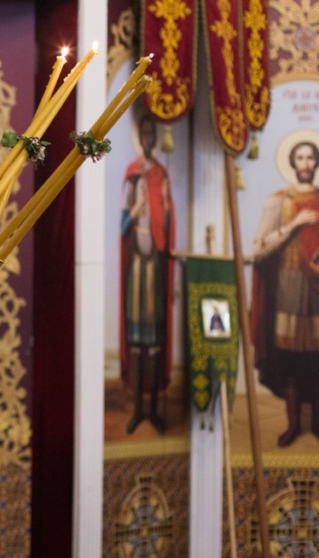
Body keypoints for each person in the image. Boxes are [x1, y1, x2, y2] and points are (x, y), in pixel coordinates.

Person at [251, 140, 319, 448]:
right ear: (292, 162)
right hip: (287, 287)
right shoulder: (278, 201)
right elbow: (258, 251)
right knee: (289, 361)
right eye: (300, 157)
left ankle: (318, 426)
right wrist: (294, 224)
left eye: (310, 157)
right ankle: (293, 426)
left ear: (317, 162)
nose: (305, 163)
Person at [120, 113, 175, 435]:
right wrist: (138, 207)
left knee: (153, 341)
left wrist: (164, 204)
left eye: (152, 133)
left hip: (154, 266)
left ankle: (153, 410)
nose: (148, 138)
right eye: (144, 133)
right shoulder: (131, 176)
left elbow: (166, 227)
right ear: (139, 137)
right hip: (137, 267)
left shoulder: (160, 174)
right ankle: (138, 411)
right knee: (136, 341)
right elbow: (122, 226)